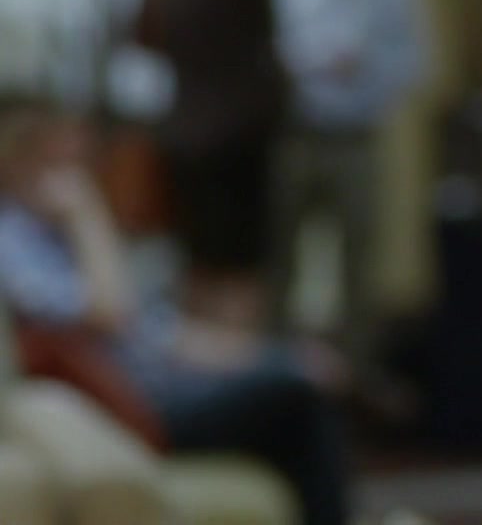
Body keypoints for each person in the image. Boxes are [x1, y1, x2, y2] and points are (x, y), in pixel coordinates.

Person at [0, 94, 350, 525]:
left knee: (298, 375)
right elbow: (111, 314)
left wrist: (266, 354)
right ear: (19, 161)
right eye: (62, 158)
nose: (82, 171)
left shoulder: (59, 233)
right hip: (134, 404)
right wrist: (87, 216)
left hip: (167, 378)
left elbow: (162, 333)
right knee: (298, 397)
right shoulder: (12, 240)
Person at [270, 0, 428, 370]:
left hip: (356, 136)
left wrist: (365, 73)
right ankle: (278, 367)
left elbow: (413, 59)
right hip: (295, 134)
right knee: (280, 255)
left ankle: (356, 372)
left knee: (360, 258)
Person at [135, 0, 294, 329]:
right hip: (237, 131)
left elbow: (143, 34)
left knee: (199, 255)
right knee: (239, 259)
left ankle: (205, 349)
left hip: (186, 127)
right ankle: (233, 357)